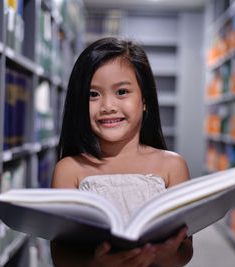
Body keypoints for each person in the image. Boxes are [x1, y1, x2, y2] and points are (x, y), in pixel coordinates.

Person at [51, 37, 193, 267]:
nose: (108, 106)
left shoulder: (172, 167)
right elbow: (60, 255)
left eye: (122, 92)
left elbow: (186, 247)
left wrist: (167, 257)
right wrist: (96, 263)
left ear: (145, 100)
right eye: (93, 94)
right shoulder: (69, 170)